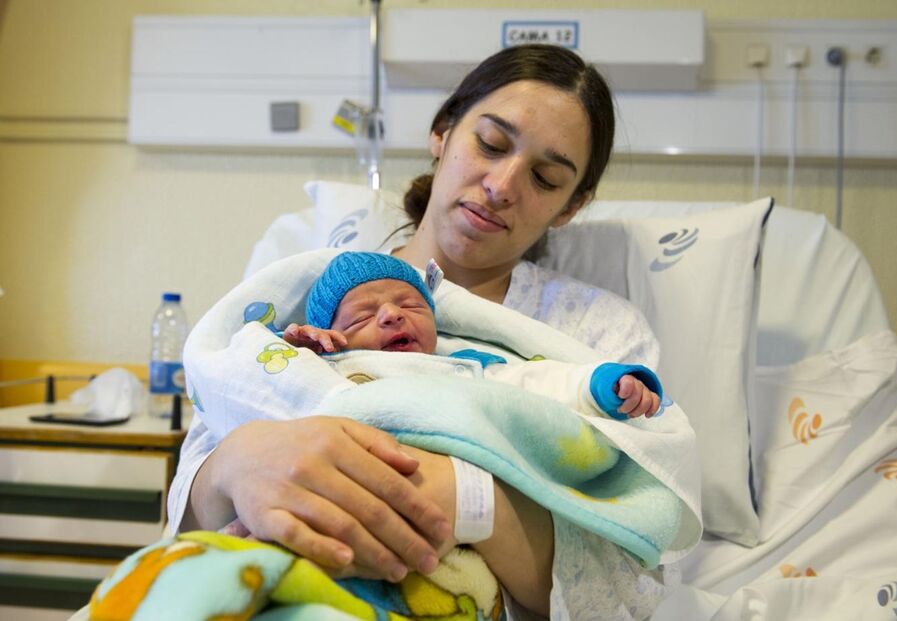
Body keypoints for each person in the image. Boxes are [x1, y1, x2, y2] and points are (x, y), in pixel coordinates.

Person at [170, 43, 671, 619]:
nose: (503, 185)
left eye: (546, 177)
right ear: (442, 133)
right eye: (490, 144)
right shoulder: (309, 299)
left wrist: (465, 499)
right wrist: (242, 461)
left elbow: (629, 587)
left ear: (570, 207)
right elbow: (181, 523)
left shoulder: (597, 338)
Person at [283, 250, 663, 420]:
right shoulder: (327, 364)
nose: (392, 315)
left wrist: (600, 383)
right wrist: (301, 353)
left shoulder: (464, 367)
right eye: (362, 316)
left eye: (411, 305)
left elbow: (534, 380)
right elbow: (263, 387)